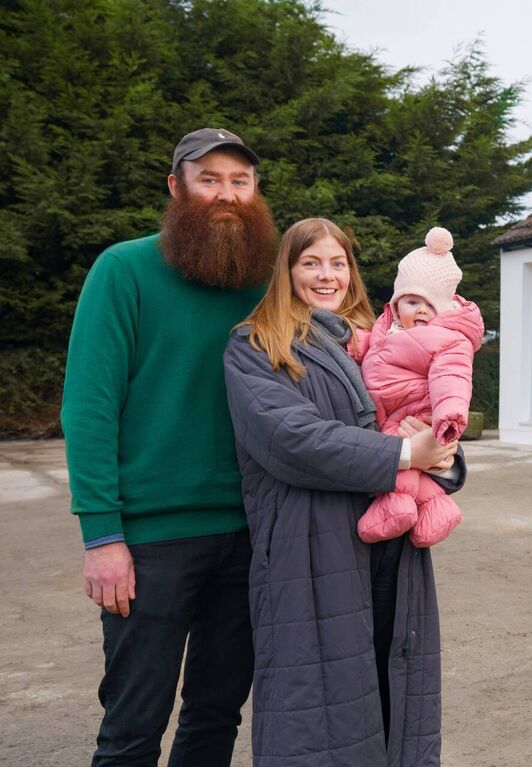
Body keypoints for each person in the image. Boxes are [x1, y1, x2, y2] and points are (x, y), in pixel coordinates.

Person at [60, 127, 278, 766]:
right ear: (176, 186)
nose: (227, 195)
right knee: (133, 724)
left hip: (249, 533)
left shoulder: (268, 281)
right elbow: (89, 407)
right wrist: (102, 537)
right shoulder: (123, 270)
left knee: (216, 718)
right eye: (209, 179)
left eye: (240, 182)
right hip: (150, 541)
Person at [222, 217, 463, 766]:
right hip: (311, 548)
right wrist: (404, 455)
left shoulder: (377, 343)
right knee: (317, 707)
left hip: (391, 547)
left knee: (394, 693)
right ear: (287, 271)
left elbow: (426, 415)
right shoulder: (255, 347)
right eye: (311, 263)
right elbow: (291, 439)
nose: (326, 275)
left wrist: (441, 454)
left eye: (338, 263)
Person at [356, 226, 484, 546]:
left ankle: (397, 506)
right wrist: (349, 343)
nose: (422, 310)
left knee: (399, 452)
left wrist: (450, 414)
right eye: (412, 301)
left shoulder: (448, 339)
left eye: (431, 305)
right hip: (390, 407)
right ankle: (437, 506)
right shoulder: (386, 328)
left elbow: (452, 377)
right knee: (406, 453)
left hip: (417, 412)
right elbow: (370, 347)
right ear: (396, 304)